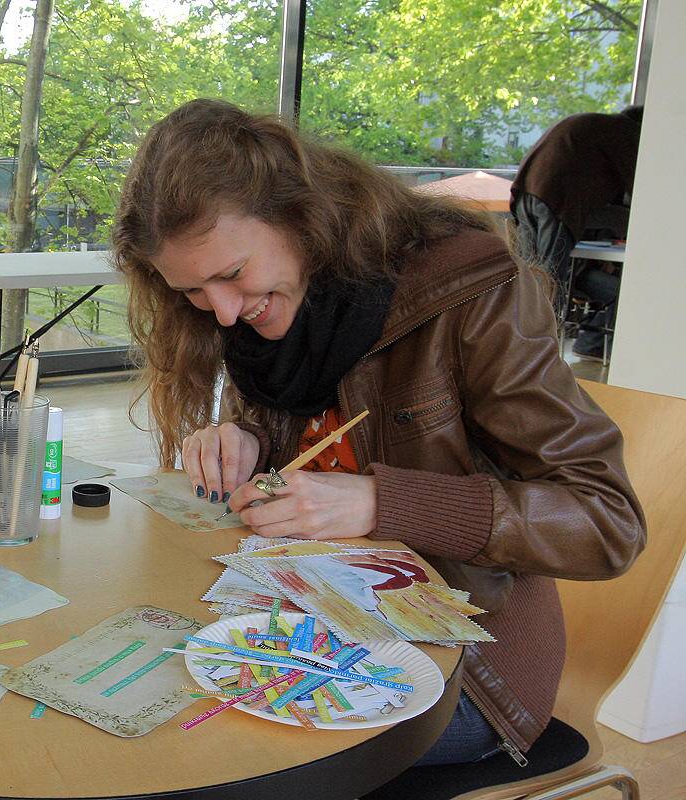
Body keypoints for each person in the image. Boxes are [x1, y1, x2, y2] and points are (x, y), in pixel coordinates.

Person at [112, 99, 645, 766]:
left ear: (302, 219)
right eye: (192, 291)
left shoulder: (473, 293)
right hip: (313, 624)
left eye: (231, 275)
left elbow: (606, 519)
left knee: (192, 748)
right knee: (138, 681)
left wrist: (379, 502)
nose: (221, 312)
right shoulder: (277, 316)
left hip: (466, 672)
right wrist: (248, 439)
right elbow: (326, 439)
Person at [511, 107, 642, 361]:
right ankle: (540, 354)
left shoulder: (596, 126)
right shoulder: (625, 132)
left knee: (530, 275)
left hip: (528, 192)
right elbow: (638, 186)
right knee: (549, 278)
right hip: (559, 198)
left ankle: (520, 347)